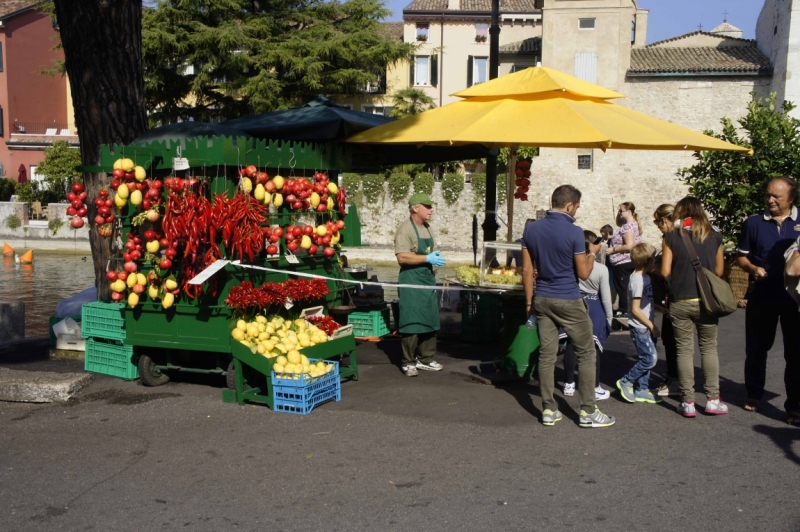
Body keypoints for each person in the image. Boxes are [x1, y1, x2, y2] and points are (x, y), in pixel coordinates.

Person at [522, 184, 615, 428]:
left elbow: (526, 270)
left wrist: (529, 302)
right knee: (586, 353)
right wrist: (593, 253)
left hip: (542, 297)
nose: (577, 212)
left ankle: (548, 409)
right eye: (577, 208)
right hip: (568, 298)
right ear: (570, 205)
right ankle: (587, 411)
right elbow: (584, 273)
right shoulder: (574, 232)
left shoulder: (531, 229)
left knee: (546, 354)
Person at [737, 177, 800, 424]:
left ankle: (794, 405)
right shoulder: (754, 223)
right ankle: (754, 393)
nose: (771, 200)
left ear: (791, 198)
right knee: (756, 349)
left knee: (795, 354)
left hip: (794, 299)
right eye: (768, 195)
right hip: (762, 296)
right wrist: (753, 268)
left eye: (777, 197)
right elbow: (741, 258)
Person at [662, 197, 727, 417]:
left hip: (681, 299)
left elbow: (664, 271)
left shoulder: (671, 236)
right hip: (706, 300)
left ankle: (687, 401)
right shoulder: (715, 235)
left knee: (684, 351)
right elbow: (719, 270)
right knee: (709, 348)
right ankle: (712, 399)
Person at [395, 192, 447, 377]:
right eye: (427, 206)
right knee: (412, 320)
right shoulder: (405, 229)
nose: (431, 209)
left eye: (431, 206)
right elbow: (402, 257)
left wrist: (437, 255)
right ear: (415, 208)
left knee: (429, 318)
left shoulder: (427, 227)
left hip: (427, 278)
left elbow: (432, 249)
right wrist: (427, 257)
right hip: (411, 280)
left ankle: (425, 359)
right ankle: (408, 361)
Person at [561, 230, 613, 401]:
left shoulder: (570, 265)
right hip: (593, 306)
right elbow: (606, 297)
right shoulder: (601, 269)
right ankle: (595, 386)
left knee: (571, 343)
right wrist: (609, 318)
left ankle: (569, 384)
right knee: (593, 346)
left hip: (574, 303)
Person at [616, 242, 662, 404]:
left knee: (647, 357)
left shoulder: (645, 277)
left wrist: (659, 308)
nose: (655, 263)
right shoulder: (637, 280)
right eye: (653, 260)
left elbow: (645, 301)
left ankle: (642, 389)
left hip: (646, 326)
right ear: (646, 262)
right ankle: (626, 381)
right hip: (641, 327)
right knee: (650, 359)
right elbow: (635, 309)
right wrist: (652, 326)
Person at [650, 204, 679, 397]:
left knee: (672, 339)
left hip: (674, 295)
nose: (658, 226)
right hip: (685, 293)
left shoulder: (670, 239)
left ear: (664, 220)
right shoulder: (689, 236)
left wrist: (652, 270)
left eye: (657, 222)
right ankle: (676, 378)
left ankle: (675, 379)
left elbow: (667, 272)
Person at [607, 202, 643, 318]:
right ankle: (625, 308)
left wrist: (613, 250)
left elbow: (630, 245)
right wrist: (620, 213)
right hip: (625, 261)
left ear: (629, 211)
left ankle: (625, 310)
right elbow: (618, 222)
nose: (619, 213)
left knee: (623, 287)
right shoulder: (630, 224)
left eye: (621, 211)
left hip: (623, 261)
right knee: (624, 286)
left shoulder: (627, 227)